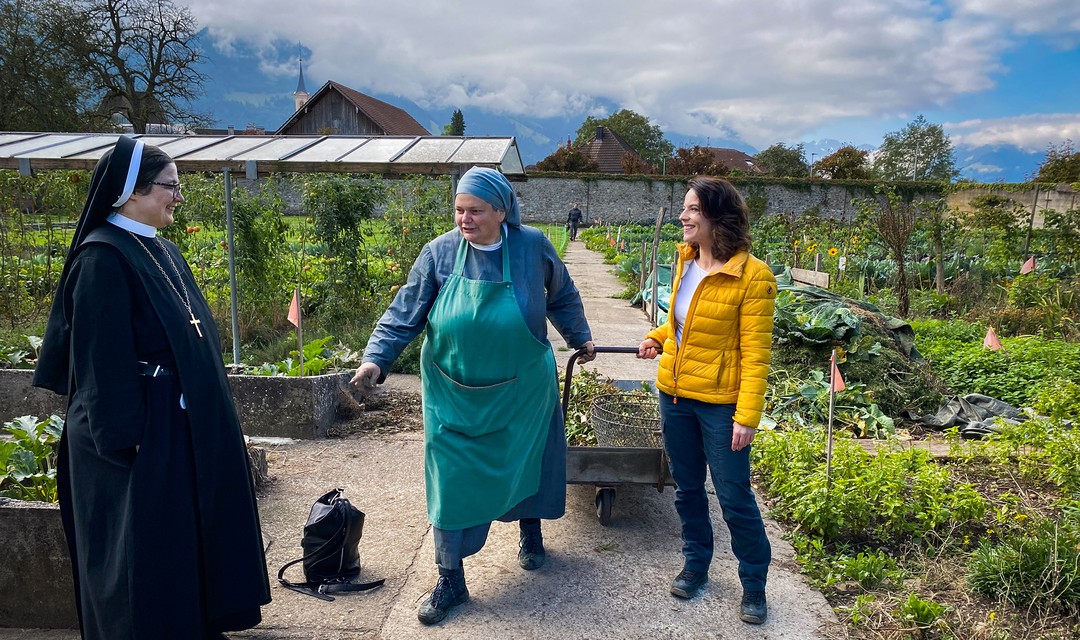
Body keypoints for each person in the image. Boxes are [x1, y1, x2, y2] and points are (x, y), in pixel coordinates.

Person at [33, 137, 271, 639]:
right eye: (170, 187)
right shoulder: (102, 257)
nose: (178, 198)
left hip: (177, 423)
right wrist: (129, 439)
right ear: (130, 192)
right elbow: (101, 361)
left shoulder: (159, 249)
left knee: (181, 539)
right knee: (143, 552)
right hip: (137, 434)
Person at [351, 166, 595, 625]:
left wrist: (579, 336)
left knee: (526, 461)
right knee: (450, 482)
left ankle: (530, 531)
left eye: (475, 211)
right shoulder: (439, 253)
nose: (464, 219)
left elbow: (561, 294)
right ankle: (450, 579)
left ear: (502, 211)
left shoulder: (531, 247)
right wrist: (375, 360)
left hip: (521, 390)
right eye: (459, 209)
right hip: (452, 395)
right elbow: (405, 311)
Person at [636, 176, 776, 625]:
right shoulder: (687, 262)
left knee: (734, 495)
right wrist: (657, 337)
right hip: (674, 396)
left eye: (692, 209)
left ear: (718, 217)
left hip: (721, 405)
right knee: (687, 488)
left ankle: (753, 583)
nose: (683, 216)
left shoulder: (754, 276)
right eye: (684, 208)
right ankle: (696, 564)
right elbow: (682, 323)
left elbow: (756, 354)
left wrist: (747, 416)